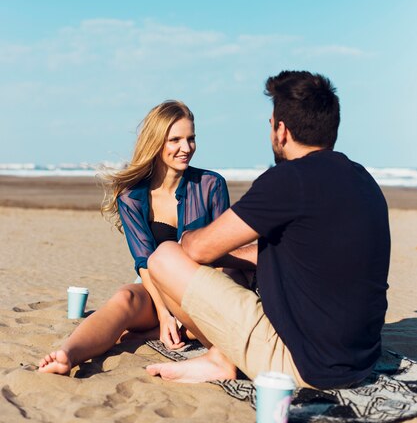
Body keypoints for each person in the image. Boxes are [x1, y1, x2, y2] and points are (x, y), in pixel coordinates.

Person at [145, 71, 391, 390]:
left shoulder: (288, 180)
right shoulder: (363, 180)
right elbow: (308, 258)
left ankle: (221, 358)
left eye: (271, 123)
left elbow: (197, 250)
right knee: (232, 267)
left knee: (165, 257)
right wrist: (235, 258)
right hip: (361, 359)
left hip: (304, 366)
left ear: (282, 130)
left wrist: (190, 239)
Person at [38, 100, 229, 375]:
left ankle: (177, 329)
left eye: (191, 139)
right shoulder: (132, 196)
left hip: (203, 289)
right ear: (156, 142)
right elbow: (144, 262)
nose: (186, 148)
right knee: (125, 296)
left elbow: (224, 256)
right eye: (175, 140)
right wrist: (164, 316)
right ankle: (68, 354)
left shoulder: (211, 185)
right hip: (156, 289)